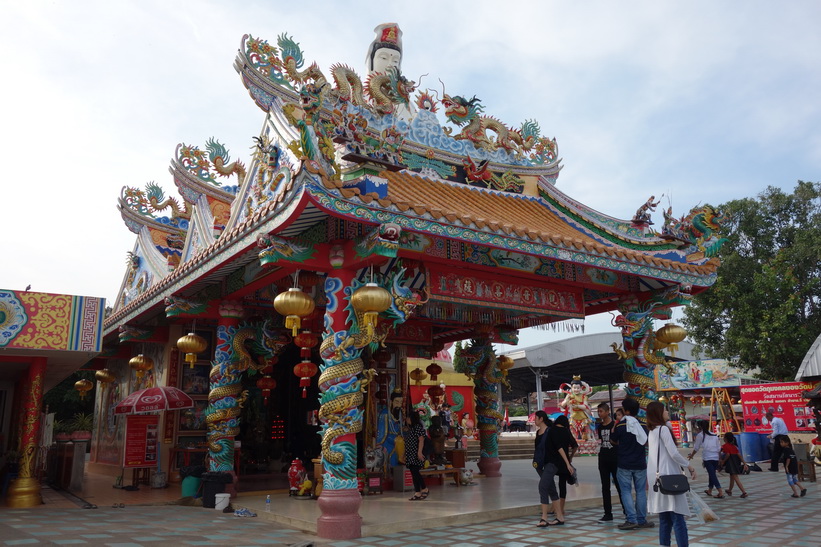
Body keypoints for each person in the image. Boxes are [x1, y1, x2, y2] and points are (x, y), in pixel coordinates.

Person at [646, 401, 697, 547]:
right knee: (678, 517)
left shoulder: (653, 430)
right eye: (665, 410)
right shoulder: (663, 429)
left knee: (665, 518)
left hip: (658, 478)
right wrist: (689, 466)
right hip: (669, 475)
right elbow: (673, 453)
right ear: (658, 413)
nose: (667, 412)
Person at [611, 398, 653, 530]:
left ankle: (631, 519)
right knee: (640, 492)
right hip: (640, 463)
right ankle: (641, 519)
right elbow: (646, 442)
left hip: (624, 463)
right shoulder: (644, 426)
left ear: (627, 411)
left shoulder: (621, 426)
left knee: (626, 492)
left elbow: (613, 440)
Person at [596, 402, 624, 521]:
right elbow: (600, 440)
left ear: (608, 412)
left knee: (619, 485)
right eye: (598, 411)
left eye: (601, 411)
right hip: (603, 458)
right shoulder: (600, 426)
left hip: (615, 458)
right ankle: (608, 513)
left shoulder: (615, 425)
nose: (599, 413)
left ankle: (626, 509)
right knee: (605, 486)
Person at [551, 415, 579, 520]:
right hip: (564, 461)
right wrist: (570, 457)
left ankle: (553, 507)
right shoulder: (566, 431)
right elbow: (575, 445)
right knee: (562, 485)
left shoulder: (552, 430)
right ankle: (561, 509)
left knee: (550, 483)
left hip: (553, 461)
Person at [688, 420, 725, 498]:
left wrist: (691, 455)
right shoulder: (714, 435)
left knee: (712, 474)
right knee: (712, 474)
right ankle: (710, 490)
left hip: (708, 458)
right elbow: (718, 448)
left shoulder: (700, 435)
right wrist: (720, 459)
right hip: (715, 458)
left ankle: (720, 492)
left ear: (699, 427)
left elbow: (696, 448)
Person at [532, 410, 554, 527]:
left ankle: (544, 517)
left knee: (543, 486)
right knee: (551, 488)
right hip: (540, 464)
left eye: (535, 418)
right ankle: (559, 515)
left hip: (550, 463)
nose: (534, 420)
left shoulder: (550, 432)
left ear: (541, 419)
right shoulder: (537, 433)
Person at [404, 411, 429, 501]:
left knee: (415, 472)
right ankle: (417, 492)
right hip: (410, 453)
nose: (407, 420)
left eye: (408, 418)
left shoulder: (417, 428)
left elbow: (421, 440)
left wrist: (419, 452)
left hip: (415, 453)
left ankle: (424, 488)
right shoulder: (412, 428)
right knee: (413, 473)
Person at [376, 388, 404, 468]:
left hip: (397, 436)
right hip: (387, 438)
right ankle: (399, 460)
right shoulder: (385, 414)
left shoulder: (399, 414)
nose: (399, 405)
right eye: (396, 402)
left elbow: (400, 429)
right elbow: (382, 432)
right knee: (399, 442)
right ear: (391, 402)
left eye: (400, 402)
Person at [719, 432, 749, 497]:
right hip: (735, 462)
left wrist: (723, 461)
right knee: (732, 477)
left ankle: (744, 492)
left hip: (730, 463)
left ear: (726, 439)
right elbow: (739, 455)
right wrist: (744, 463)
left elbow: (727, 454)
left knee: (735, 477)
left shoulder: (725, 446)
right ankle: (729, 490)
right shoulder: (734, 446)